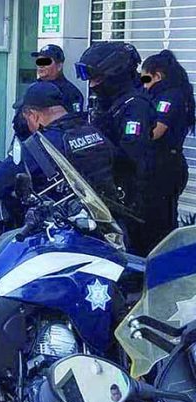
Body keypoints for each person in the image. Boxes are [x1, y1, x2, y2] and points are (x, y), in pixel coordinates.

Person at [0, 82, 117, 223]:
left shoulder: (40, 145)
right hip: (109, 221)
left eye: (26, 119)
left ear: (33, 115)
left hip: (65, 227)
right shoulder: (92, 131)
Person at [75, 41, 160, 256]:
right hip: (104, 191)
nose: (92, 85)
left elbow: (130, 154)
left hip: (129, 193)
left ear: (115, 74)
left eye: (97, 78)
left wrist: (94, 150)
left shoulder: (135, 105)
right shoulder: (107, 102)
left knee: (130, 253)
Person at [141, 50, 193, 237]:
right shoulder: (171, 93)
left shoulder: (168, 96)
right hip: (164, 164)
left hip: (164, 166)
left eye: (145, 77)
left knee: (160, 223)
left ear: (157, 76)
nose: (143, 83)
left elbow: (156, 132)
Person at [13, 44, 84, 140]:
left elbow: (74, 125)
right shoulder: (33, 89)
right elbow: (19, 120)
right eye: (39, 62)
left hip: (53, 144)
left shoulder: (71, 92)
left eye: (46, 62)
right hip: (27, 141)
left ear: (59, 66)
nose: (41, 66)